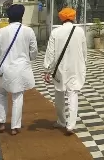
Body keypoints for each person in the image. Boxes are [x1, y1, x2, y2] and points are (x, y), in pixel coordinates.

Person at [0, 4, 38, 136]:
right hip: (20, 69)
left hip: (3, 69)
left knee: (1, 95)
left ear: (8, 18)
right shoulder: (28, 31)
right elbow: (34, 52)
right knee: (17, 97)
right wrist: (28, 58)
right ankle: (15, 126)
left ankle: (1, 122)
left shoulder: (1, 31)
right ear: (21, 17)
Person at [44, 7, 87, 135]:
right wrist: (84, 63)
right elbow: (84, 51)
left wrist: (47, 69)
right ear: (73, 17)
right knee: (73, 94)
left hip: (60, 69)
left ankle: (61, 121)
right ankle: (71, 125)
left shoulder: (55, 32)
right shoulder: (80, 31)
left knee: (59, 94)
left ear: (61, 18)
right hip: (75, 67)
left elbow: (50, 53)